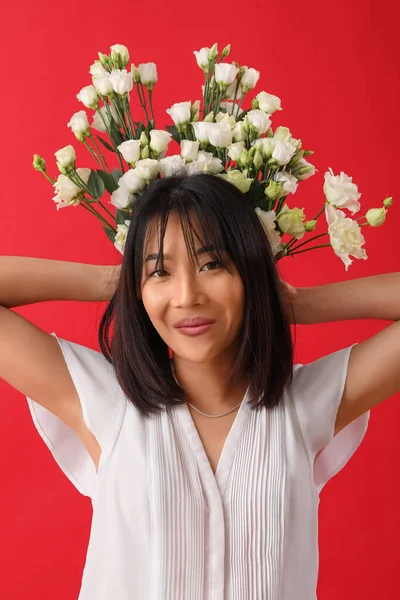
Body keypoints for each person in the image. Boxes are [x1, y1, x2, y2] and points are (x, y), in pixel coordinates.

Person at [0, 172, 399, 600]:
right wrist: (121, 283)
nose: (187, 295)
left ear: (249, 272)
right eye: (161, 272)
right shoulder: (109, 402)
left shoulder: (303, 405)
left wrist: (300, 303)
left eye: (212, 264)